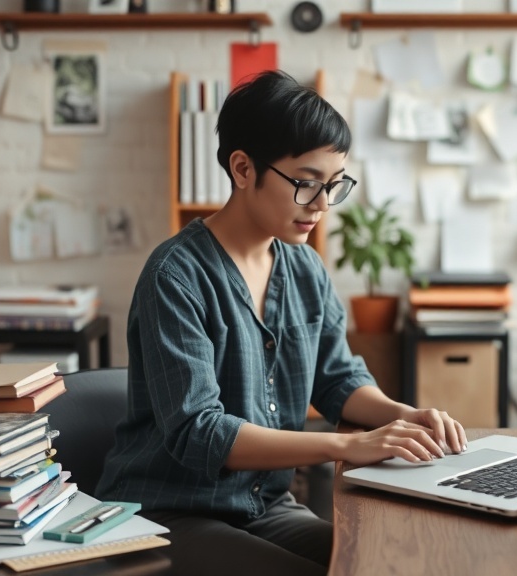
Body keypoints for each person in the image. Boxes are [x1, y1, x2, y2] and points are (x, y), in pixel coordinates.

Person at [96, 70, 467, 575]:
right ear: (244, 168)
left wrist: (401, 415)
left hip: (264, 507)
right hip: (168, 512)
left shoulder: (304, 266)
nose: (320, 205)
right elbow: (199, 433)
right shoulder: (175, 276)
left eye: (333, 187)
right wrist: (349, 445)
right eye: (306, 184)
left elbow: (336, 378)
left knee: (384, 559)